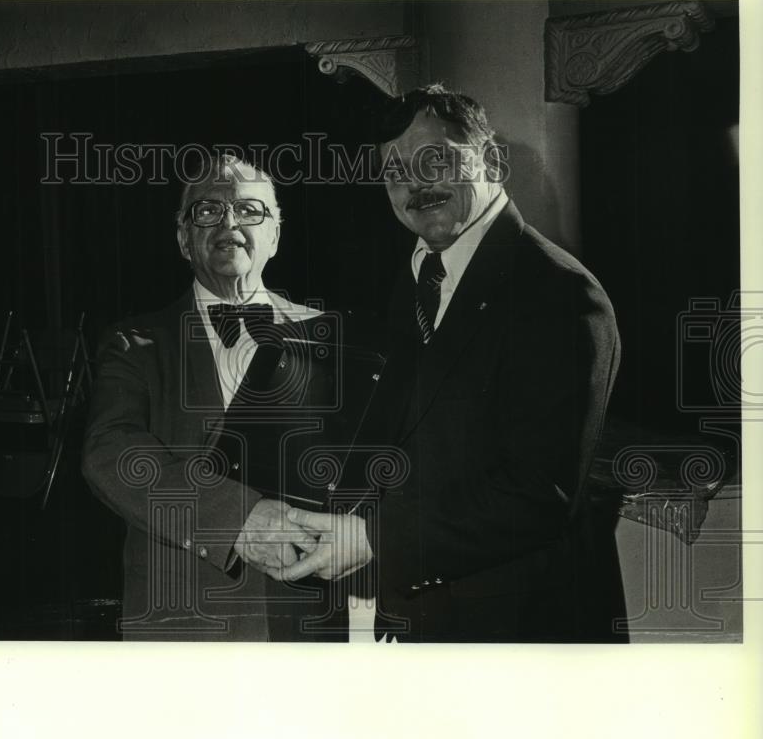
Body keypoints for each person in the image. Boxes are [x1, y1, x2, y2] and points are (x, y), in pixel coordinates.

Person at [273, 84, 627, 642]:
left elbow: (537, 495)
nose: (413, 183)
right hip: (412, 621)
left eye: (433, 158)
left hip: (517, 635)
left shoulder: (558, 293)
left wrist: (371, 539)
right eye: (393, 170)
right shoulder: (413, 279)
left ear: (491, 160)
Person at [82, 154, 344, 641]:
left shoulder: (331, 336)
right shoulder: (133, 344)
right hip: (185, 618)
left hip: (313, 616)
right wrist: (237, 519)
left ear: (276, 235)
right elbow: (110, 453)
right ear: (184, 239)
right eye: (207, 211)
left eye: (250, 210)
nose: (229, 223)